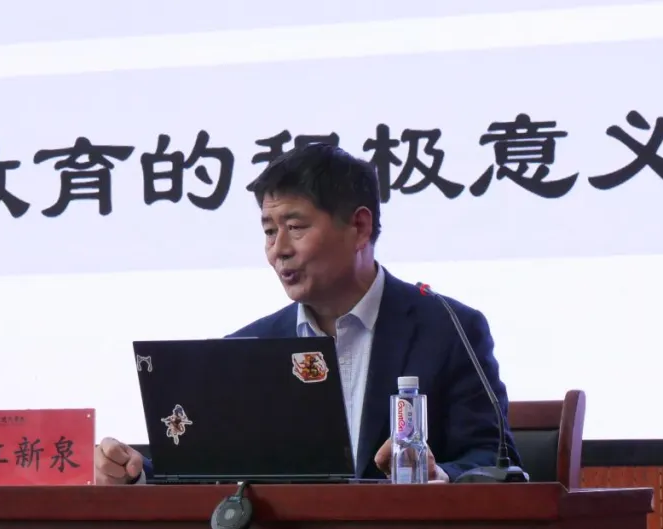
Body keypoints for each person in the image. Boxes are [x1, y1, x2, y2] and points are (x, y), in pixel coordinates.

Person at [95, 143, 520, 485]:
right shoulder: (247, 347)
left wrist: (438, 475)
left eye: (295, 228)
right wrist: (134, 473)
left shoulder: (449, 329)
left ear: (359, 227)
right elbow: (207, 473)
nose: (278, 249)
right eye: (269, 231)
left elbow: (494, 462)